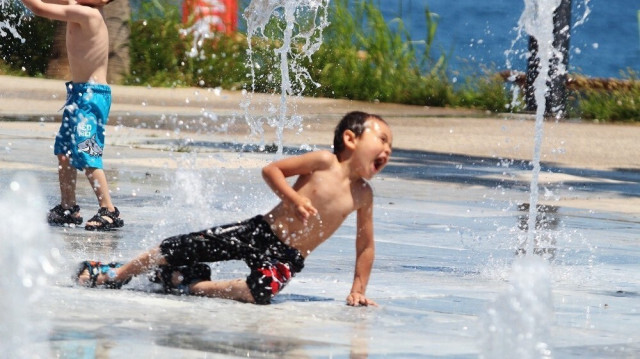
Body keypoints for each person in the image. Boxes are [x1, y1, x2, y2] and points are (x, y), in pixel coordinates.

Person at [76, 111, 393, 306]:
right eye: (382, 139)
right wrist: (292, 199)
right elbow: (272, 170)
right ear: (350, 138)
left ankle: (191, 285)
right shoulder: (324, 161)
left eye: (390, 145)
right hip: (261, 231)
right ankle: (117, 273)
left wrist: (357, 290)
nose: (388, 149)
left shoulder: (363, 195)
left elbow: (365, 245)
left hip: (288, 256)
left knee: (259, 293)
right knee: (180, 245)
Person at [20, 0, 124, 230]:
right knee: (64, 151)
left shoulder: (88, 13)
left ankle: (109, 210)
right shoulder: (79, 5)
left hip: (91, 97)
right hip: (78, 94)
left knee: (87, 150)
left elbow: (39, 8)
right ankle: (68, 207)